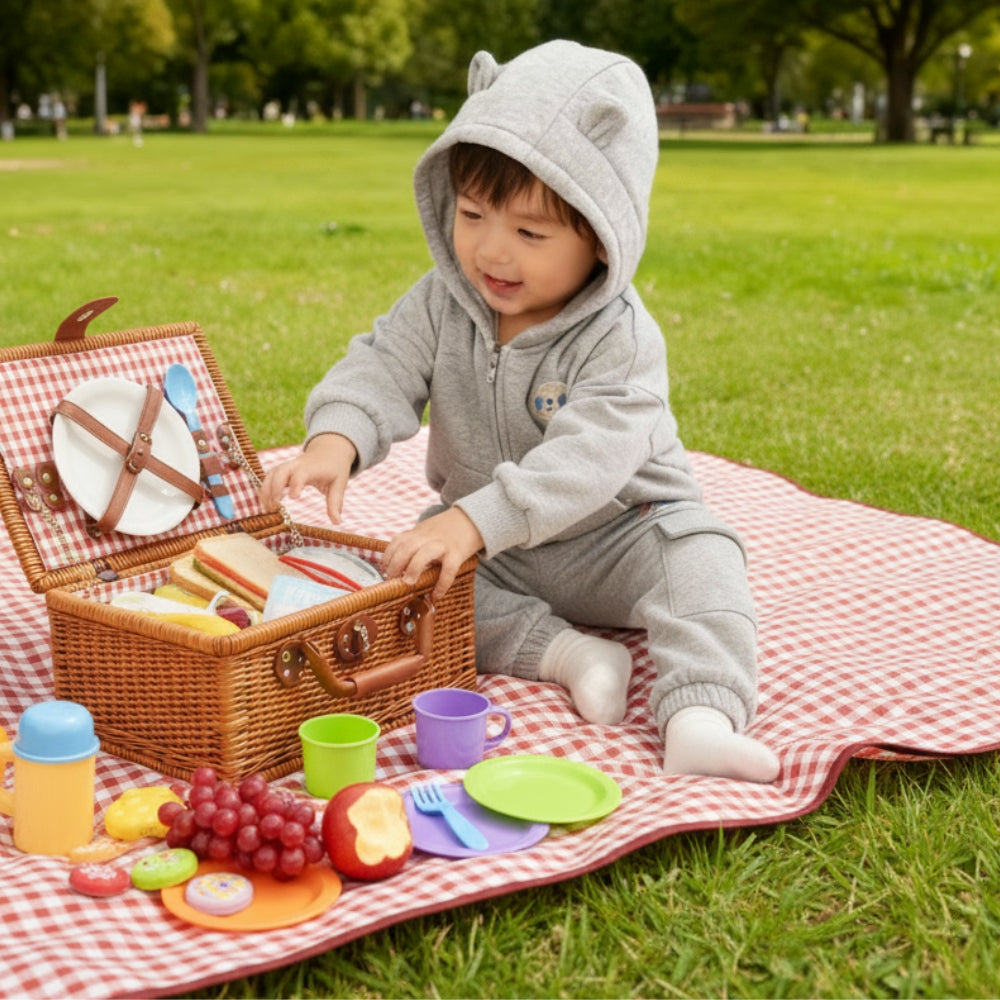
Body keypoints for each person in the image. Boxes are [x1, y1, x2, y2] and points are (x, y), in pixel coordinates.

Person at [260, 40, 780, 783]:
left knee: (703, 559)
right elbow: (382, 363)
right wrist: (335, 438)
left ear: (602, 241)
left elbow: (586, 463)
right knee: (411, 578)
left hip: (620, 541)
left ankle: (697, 715)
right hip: (499, 552)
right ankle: (568, 655)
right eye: (472, 214)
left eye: (530, 233)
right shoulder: (444, 301)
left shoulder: (621, 340)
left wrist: (474, 519)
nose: (492, 252)